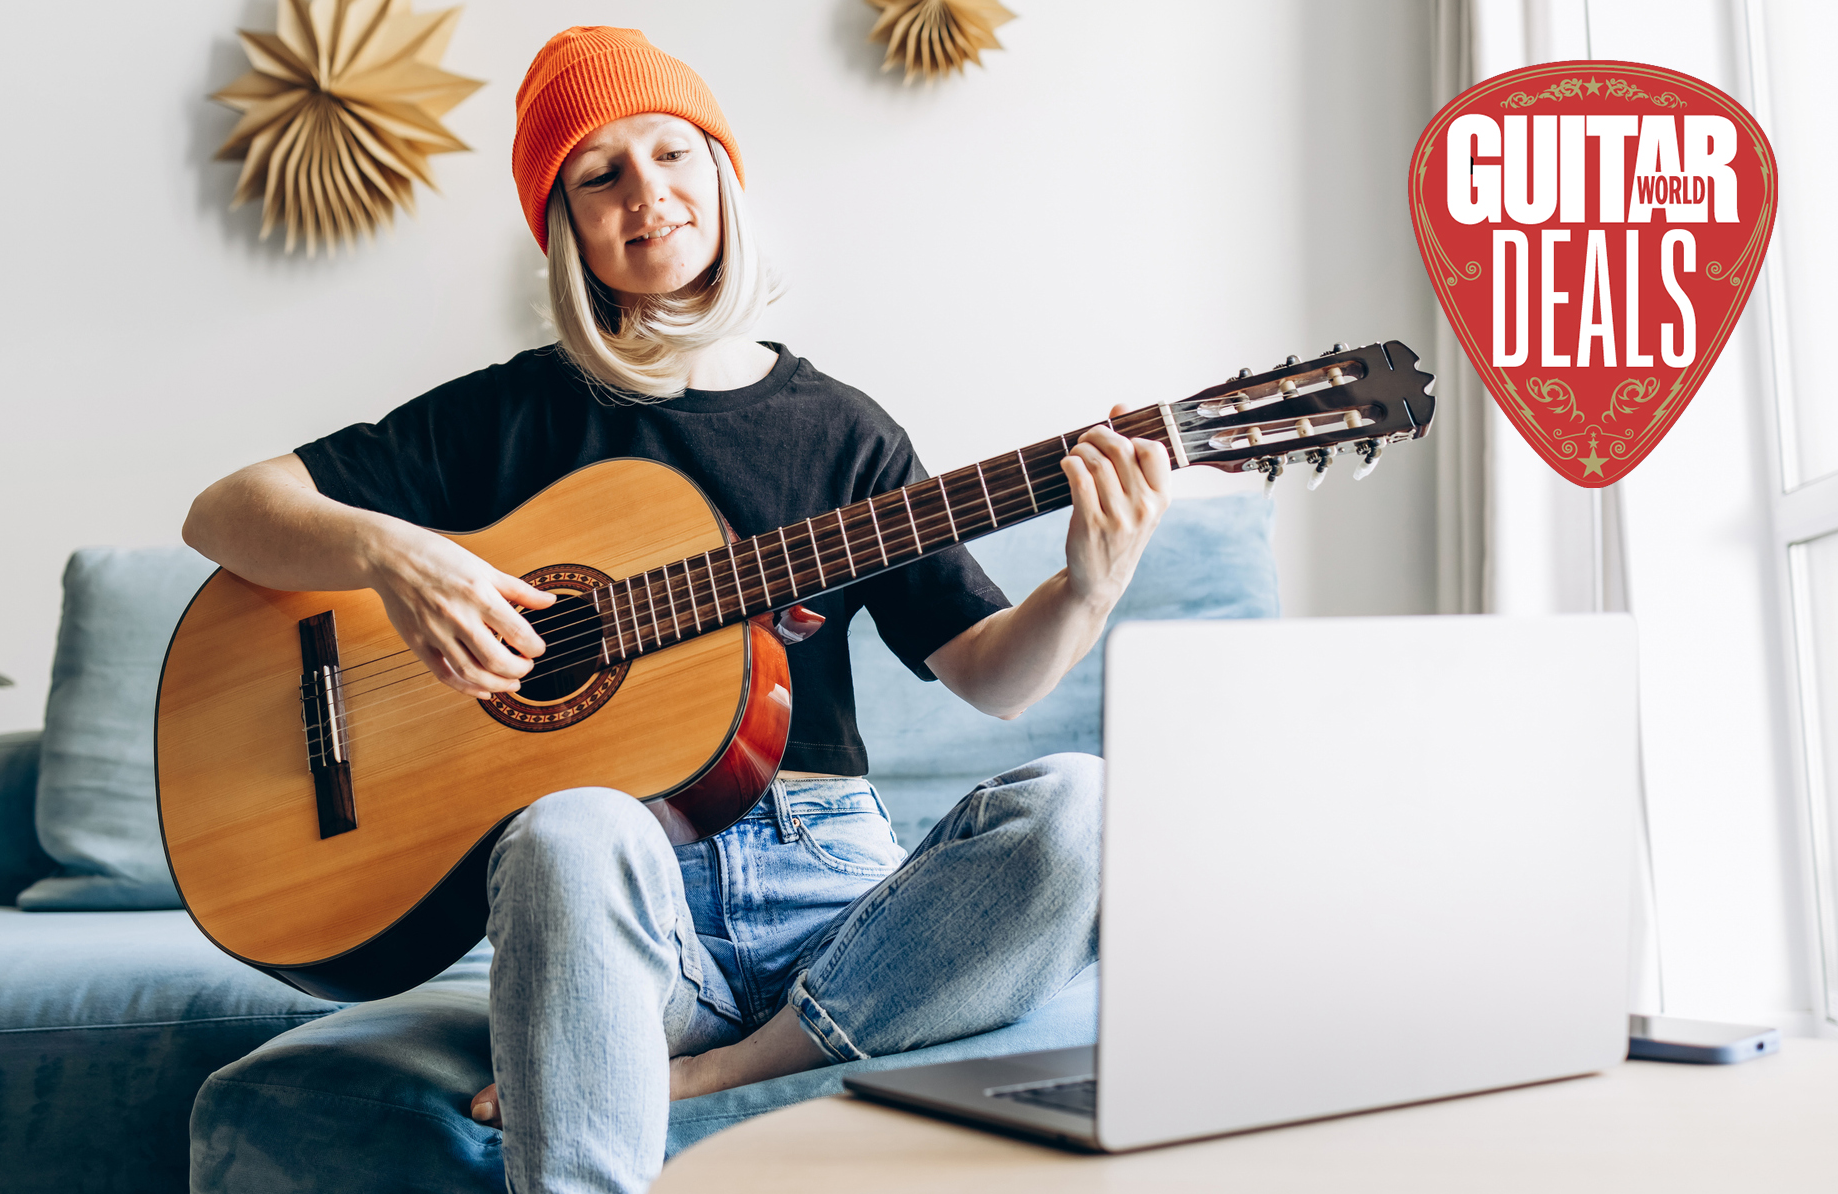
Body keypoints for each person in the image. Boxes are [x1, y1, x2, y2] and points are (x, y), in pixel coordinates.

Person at [181, 26, 1169, 1194]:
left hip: (838, 893)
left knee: (1089, 807)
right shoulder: (512, 418)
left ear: (722, 175)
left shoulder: (842, 432)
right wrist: (394, 554)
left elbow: (993, 679)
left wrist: (1088, 586)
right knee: (565, 824)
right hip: (622, 908)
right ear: (567, 229)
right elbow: (226, 510)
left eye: (671, 154)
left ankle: (739, 1060)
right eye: (599, 175)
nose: (646, 194)